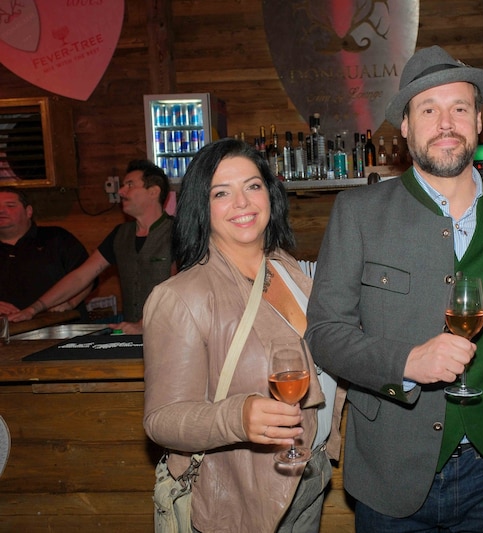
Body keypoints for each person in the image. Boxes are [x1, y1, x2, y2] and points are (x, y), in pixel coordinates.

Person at [305, 45, 483, 531]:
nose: (446, 122)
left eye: (459, 108)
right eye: (428, 109)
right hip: (391, 474)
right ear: (406, 126)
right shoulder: (359, 214)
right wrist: (405, 363)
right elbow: (325, 332)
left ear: (479, 120)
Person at [142, 138, 341, 533]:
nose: (243, 202)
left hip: (309, 472)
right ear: (202, 205)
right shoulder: (182, 296)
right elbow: (161, 419)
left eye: (253, 186)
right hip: (240, 495)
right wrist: (238, 416)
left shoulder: (287, 268)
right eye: (222, 192)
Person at [9, 160, 174, 333]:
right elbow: (81, 276)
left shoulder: (178, 232)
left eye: (130, 185)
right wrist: (33, 309)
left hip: (171, 335)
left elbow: (177, 288)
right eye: (123, 185)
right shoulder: (120, 234)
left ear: (153, 192)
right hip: (130, 334)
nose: (121, 191)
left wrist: (143, 324)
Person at [0, 187, 92, 317]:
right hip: (9, 333)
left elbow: (88, 277)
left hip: (60, 328)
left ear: (28, 212)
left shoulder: (56, 237)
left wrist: (71, 302)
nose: (1, 210)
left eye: (10, 205)